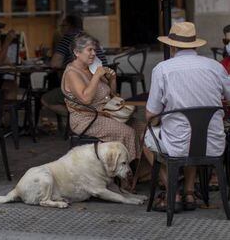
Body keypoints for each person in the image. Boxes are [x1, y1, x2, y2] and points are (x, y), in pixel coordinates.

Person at [144, 22, 230, 211]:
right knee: (195, 135)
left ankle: (171, 192)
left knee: (147, 139)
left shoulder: (163, 69)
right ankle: (189, 193)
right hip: (213, 144)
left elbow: (151, 114)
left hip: (177, 144)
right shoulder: (215, 67)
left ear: (172, 46)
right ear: (195, 45)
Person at [62, 33, 138, 161]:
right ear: (76, 52)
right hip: (86, 119)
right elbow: (86, 99)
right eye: (89, 50)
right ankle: (127, 173)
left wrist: (113, 79)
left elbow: (111, 95)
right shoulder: (72, 73)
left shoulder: (91, 68)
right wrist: (97, 76)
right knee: (128, 132)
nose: (93, 53)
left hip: (106, 113)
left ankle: (142, 172)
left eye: (94, 50)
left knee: (139, 126)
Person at [42, 14, 108, 117]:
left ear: (69, 26)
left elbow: (55, 63)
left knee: (45, 99)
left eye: (63, 26)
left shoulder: (69, 37)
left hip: (86, 88)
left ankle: (80, 117)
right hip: (102, 86)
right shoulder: (89, 38)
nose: (61, 29)